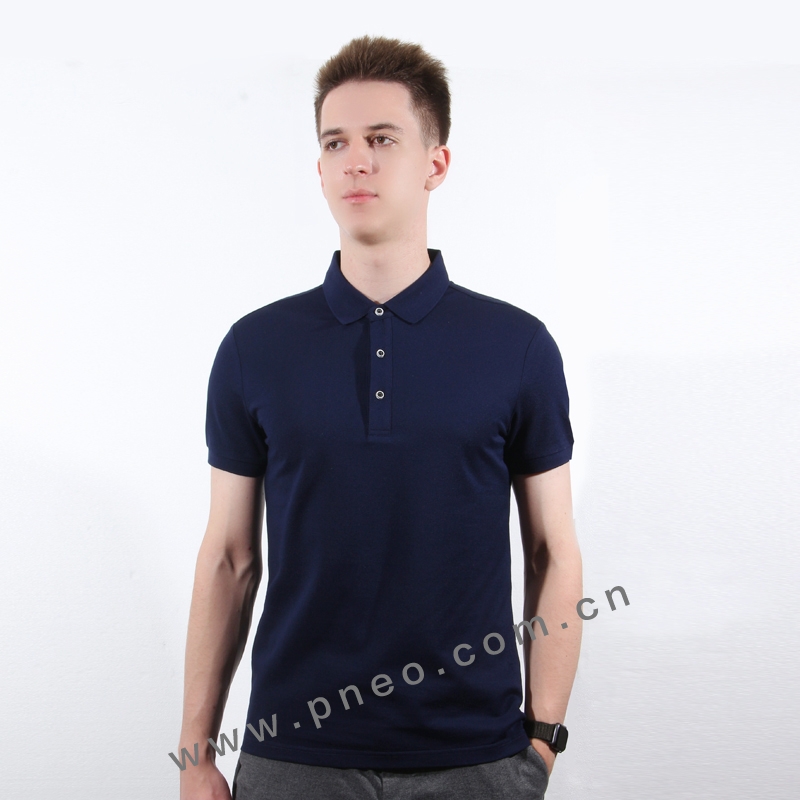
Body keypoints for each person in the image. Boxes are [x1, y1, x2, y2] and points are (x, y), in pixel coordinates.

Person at [177, 34, 583, 800]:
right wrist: (196, 755)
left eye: (382, 139)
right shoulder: (254, 349)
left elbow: (552, 552)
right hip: (293, 758)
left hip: (477, 761)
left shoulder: (518, 347)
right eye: (336, 142)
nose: (355, 161)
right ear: (319, 167)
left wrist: (542, 740)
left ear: (436, 163)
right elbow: (229, 557)